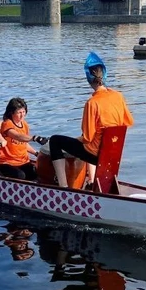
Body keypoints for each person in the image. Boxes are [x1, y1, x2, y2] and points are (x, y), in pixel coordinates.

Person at [48, 53, 133, 189]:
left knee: (55, 141)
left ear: (89, 79)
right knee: (83, 143)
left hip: (95, 154)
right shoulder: (119, 96)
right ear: (104, 76)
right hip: (113, 152)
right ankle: (92, 181)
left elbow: (87, 138)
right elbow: (126, 123)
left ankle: (63, 186)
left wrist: (75, 140)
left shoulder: (92, 103)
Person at [0, 97, 47, 180]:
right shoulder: (7, 124)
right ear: (12, 113)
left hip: (23, 161)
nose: (22, 115)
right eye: (19, 112)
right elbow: (17, 136)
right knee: (20, 176)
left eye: (24, 111)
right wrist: (35, 138)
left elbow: (24, 143)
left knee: (36, 172)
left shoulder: (24, 124)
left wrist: (36, 153)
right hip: (7, 162)